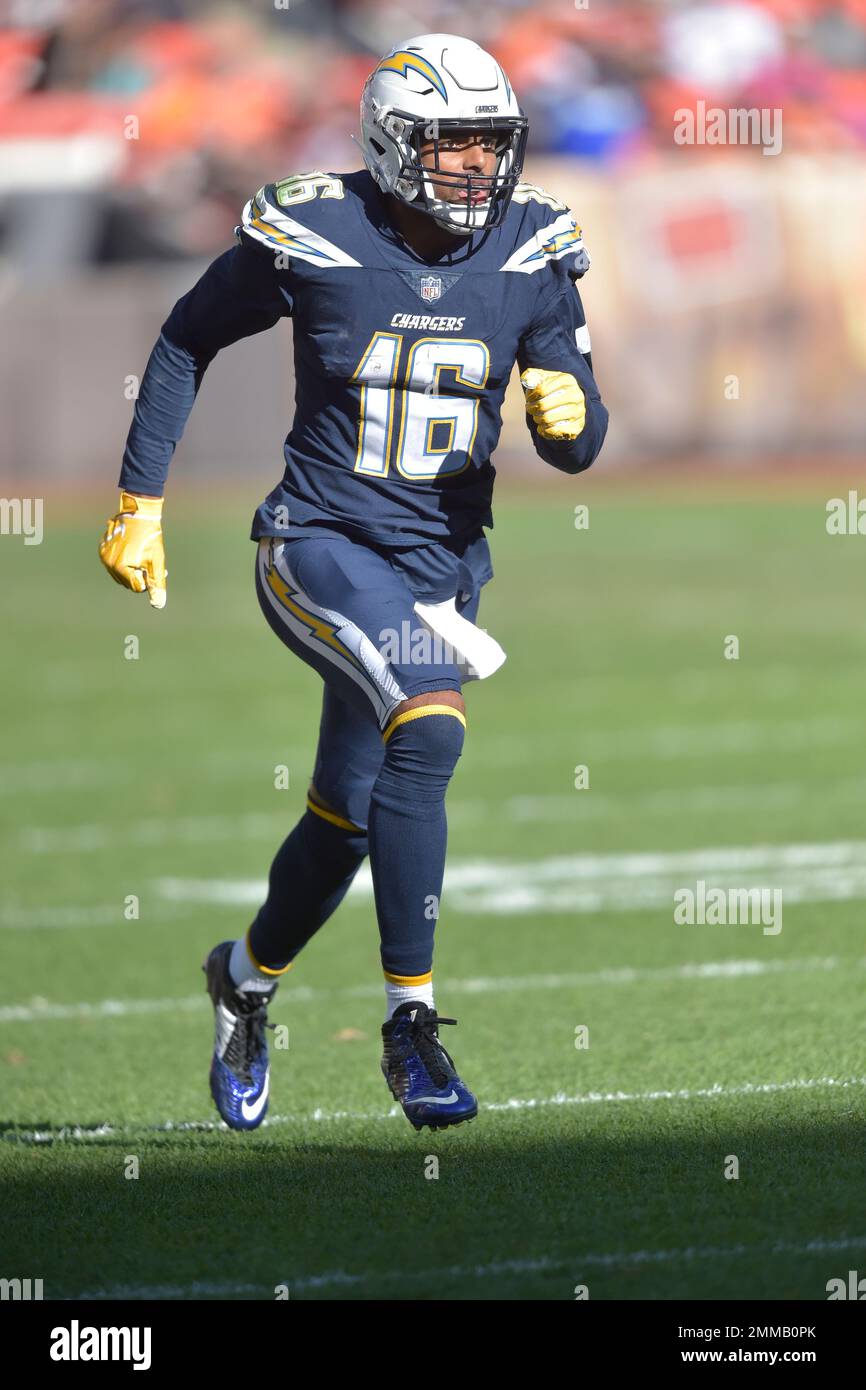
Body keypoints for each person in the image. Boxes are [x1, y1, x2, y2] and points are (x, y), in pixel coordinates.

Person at [98, 32, 609, 1133]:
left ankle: (242, 979)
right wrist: (140, 500)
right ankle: (411, 1030)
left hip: (439, 570)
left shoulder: (530, 245)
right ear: (390, 142)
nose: (477, 168)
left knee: (347, 821)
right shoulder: (315, 228)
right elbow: (187, 337)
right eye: (453, 145)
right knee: (429, 725)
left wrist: (569, 423)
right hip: (318, 543)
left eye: (490, 146)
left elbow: (579, 425)